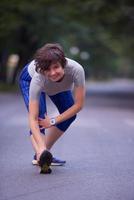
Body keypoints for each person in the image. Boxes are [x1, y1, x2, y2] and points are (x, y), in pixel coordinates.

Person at [19, 43, 85, 171]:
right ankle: (41, 153)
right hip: (29, 79)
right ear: (43, 70)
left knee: (69, 116)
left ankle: (44, 154)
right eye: (48, 69)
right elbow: (33, 118)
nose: (53, 73)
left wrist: (53, 120)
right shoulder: (38, 77)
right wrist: (41, 148)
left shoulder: (77, 70)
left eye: (56, 67)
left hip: (57, 86)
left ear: (63, 63)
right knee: (40, 119)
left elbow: (79, 105)